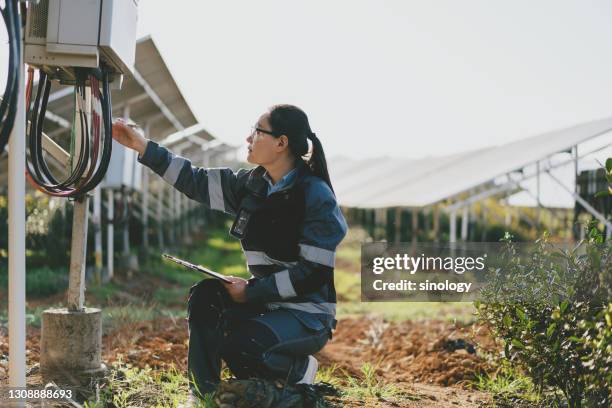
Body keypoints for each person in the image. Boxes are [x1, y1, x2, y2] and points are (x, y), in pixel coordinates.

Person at [111, 104, 348, 403]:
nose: (248, 138)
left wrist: (251, 292)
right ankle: (202, 394)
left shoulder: (315, 196)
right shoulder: (251, 186)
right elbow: (193, 180)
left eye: (256, 131)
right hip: (267, 302)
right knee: (206, 297)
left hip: (307, 314)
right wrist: (143, 147)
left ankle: (297, 371)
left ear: (281, 142)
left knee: (241, 347)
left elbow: (313, 274)